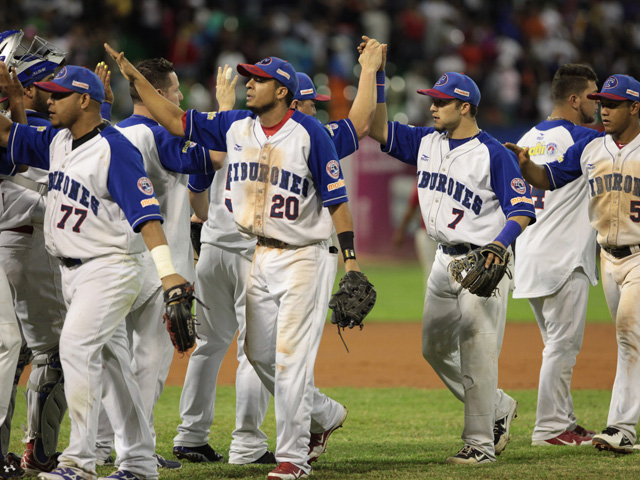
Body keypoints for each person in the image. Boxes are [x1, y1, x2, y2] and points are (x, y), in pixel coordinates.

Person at [106, 41, 379, 480]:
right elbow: (176, 120)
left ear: (283, 91)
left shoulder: (312, 135)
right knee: (257, 353)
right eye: (250, 77)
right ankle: (323, 414)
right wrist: (135, 80)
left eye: (260, 80)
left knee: (288, 359)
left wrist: (350, 262)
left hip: (304, 258)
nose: (250, 84)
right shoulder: (236, 125)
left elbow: (338, 200)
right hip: (258, 255)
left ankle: (292, 458)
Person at [0, 63, 188, 480]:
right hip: (74, 273)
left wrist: (169, 274)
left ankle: (78, 462)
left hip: (111, 269)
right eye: (49, 93)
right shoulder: (57, 140)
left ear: (85, 100)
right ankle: (138, 463)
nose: (49, 100)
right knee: (116, 369)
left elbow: (148, 216)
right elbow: (5, 133)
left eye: (58, 94)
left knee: (75, 348)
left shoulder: (115, 149)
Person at [366, 36, 535, 464]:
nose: (432, 106)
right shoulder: (427, 142)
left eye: (441, 101)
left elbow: (522, 210)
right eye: (432, 99)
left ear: (465, 107)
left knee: (477, 348)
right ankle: (497, 406)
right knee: (433, 347)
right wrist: (380, 76)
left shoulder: (494, 154)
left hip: (483, 261)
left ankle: (480, 444)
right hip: (444, 261)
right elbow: (379, 127)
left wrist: (499, 245)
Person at [94, 57, 224, 471]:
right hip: (160, 268)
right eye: (175, 91)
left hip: (114, 260)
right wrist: (222, 109)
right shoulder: (159, 136)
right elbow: (215, 157)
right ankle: (138, 450)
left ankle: (100, 445)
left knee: (111, 363)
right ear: (158, 95)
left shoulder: (108, 132)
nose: (181, 97)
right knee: (148, 363)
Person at [506, 74, 640, 455]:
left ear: (635, 107)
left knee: (630, 336)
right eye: (601, 102)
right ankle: (568, 423)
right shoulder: (591, 148)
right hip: (606, 259)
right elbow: (547, 178)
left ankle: (620, 427)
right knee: (619, 341)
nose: (604, 109)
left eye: (613, 103)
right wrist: (524, 165)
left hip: (637, 257)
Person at [513, 64, 600, 447]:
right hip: (565, 256)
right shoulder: (584, 137)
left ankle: (564, 421)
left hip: (531, 252)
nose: (598, 106)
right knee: (563, 348)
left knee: (555, 346)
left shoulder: (527, 136)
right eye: (593, 98)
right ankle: (549, 428)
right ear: (574, 99)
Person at [0, 29, 68, 475]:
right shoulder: (34, 129)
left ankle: (29, 450)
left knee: (28, 349)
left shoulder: (29, 124)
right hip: (21, 242)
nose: (51, 88)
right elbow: (17, 153)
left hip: (29, 244)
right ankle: (35, 449)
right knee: (21, 347)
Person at [392, 186, 439, 289]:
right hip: (427, 233)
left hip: (448, 235)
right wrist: (401, 230)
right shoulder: (424, 177)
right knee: (431, 272)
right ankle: (432, 303)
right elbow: (412, 206)